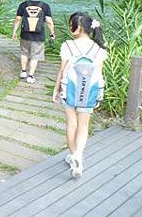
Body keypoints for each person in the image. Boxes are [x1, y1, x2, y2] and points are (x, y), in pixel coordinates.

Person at [53, 12, 107, 179]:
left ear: (79, 27)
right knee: (83, 126)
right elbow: (99, 73)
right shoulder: (98, 47)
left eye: (71, 25)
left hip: (70, 88)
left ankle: (74, 155)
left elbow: (62, 70)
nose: (70, 28)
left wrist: (56, 89)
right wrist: (100, 92)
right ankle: (79, 156)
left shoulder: (67, 45)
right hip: (89, 89)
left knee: (71, 124)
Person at [12, 0, 55, 84]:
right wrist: (52, 33)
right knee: (35, 56)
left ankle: (23, 72)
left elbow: (18, 19)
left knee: (24, 52)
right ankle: (30, 76)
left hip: (25, 34)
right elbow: (49, 22)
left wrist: (14, 31)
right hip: (38, 36)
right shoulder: (45, 6)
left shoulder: (23, 4)